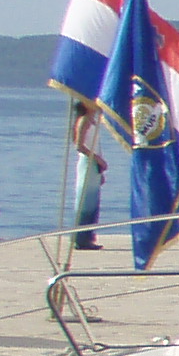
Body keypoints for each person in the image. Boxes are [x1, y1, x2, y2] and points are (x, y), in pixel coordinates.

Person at [66, 97, 108, 252]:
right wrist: (96, 159)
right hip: (87, 161)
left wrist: (100, 167)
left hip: (94, 163)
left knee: (93, 201)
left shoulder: (93, 121)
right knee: (85, 200)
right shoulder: (84, 120)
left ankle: (88, 236)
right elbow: (80, 146)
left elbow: (95, 145)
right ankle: (81, 238)